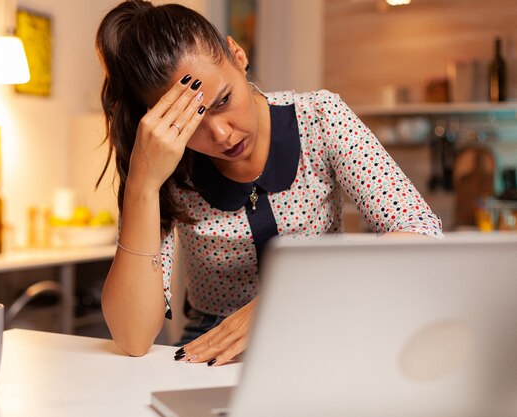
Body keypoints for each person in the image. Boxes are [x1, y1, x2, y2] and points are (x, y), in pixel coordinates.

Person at [94, 0, 442, 366]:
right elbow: (132, 338)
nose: (222, 133)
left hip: (324, 329)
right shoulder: (163, 161)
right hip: (215, 352)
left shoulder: (321, 117)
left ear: (238, 55)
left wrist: (289, 296)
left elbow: (422, 234)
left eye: (223, 100)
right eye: (190, 123)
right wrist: (143, 185)